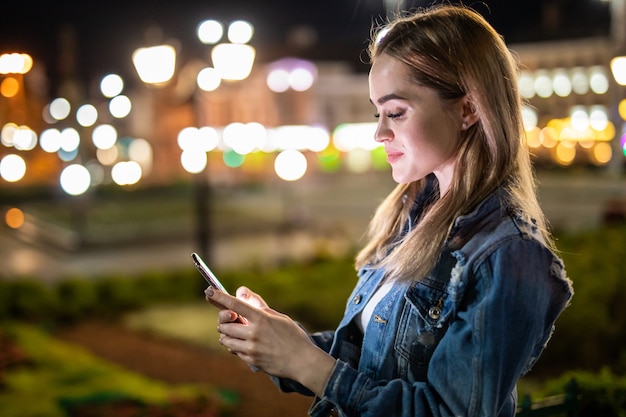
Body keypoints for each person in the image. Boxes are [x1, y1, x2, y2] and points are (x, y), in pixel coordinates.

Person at [205, 4, 573, 416]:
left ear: (469, 109)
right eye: (376, 113)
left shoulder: (509, 253)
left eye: (395, 112)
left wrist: (309, 365)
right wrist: (280, 342)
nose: (380, 132)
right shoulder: (412, 214)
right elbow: (375, 361)